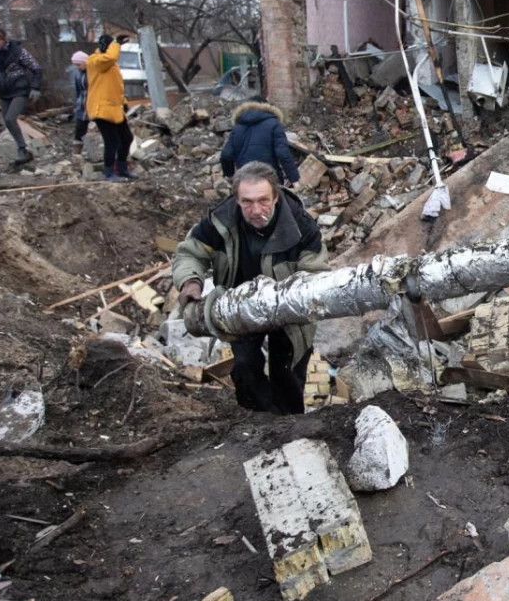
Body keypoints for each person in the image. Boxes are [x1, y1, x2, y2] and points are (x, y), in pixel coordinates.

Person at [172, 161, 329, 415]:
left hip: (289, 309)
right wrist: (191, 281)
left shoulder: (301, 226)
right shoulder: (220, 221)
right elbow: (190, 252)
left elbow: (316, 274)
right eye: (247, 202)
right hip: (239, 304)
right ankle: (255, 428)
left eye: (263, 200)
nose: (256, 210)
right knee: (245, 368)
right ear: (236, 199)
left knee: (287, 371)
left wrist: (295, 298)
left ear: (275, 197)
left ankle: (290, 427)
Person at [0, 27, 43, 165]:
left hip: (20, 89)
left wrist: (35, 88)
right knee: (7, 121)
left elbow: (36, 69)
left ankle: (22, 148)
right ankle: (23, 150)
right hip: (3, 90)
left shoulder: (18, 51)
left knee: (10, 117)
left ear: (4, 39)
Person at [86, 33, 136, 181]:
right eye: (112, 47)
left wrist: (124, 101)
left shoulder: (110, 65)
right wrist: (116, 44)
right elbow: (111, 57)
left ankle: (122, 169)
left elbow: (114, 86)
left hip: (114, 108)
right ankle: (109, 172)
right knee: (112, 141)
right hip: (101, 108)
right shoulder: (95, 61)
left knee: (127, 138)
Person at [220, 97, 300, 186]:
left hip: (244, 179)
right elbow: (283, 153)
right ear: (267, 107)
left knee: (246, 200)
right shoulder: (274, 124)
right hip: (269, 179)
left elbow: (226, 155)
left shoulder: (237, 128)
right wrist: (294, 180)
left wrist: (230, 175)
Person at [71, 50, 90, 154]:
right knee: (79, 128)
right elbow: (78, 90)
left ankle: (91, 149)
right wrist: (77, 103)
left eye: (79, 64)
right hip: (81, 105)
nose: (77, 67)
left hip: (92, 105)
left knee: (92, 129)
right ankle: (77, 151)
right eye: (76, 65)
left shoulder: (93, 72)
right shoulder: (78, 74)